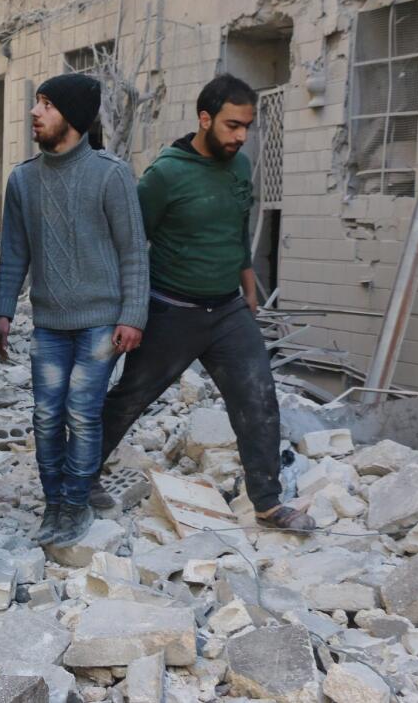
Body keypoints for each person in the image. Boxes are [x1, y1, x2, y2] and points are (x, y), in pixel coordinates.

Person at [92, 73, 315, 532]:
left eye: (247, 127)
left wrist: (248, 286)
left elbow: (237, 228)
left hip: (228, 310)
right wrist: (127, 310)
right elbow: (131, 245)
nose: (241, 136)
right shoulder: (165, 174)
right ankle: (78, 477)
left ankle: (269, 504)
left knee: (258, 397)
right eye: (233, 125)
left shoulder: (238, 167)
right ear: (205, 118)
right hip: (171, 310)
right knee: (129, 399)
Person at [0, 74, 149, 547]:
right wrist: (2, 312)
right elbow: (14, 251)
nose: (35, 113)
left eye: (47, 105)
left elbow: (133, 252)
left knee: (81, 413)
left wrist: (133, 316)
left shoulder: (111, 174)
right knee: (44, 416)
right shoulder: (22, 179)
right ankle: (54, 504)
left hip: (101, 321)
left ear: (74, 118)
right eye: (36, 102)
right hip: (49, 325)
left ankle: (75, 505)